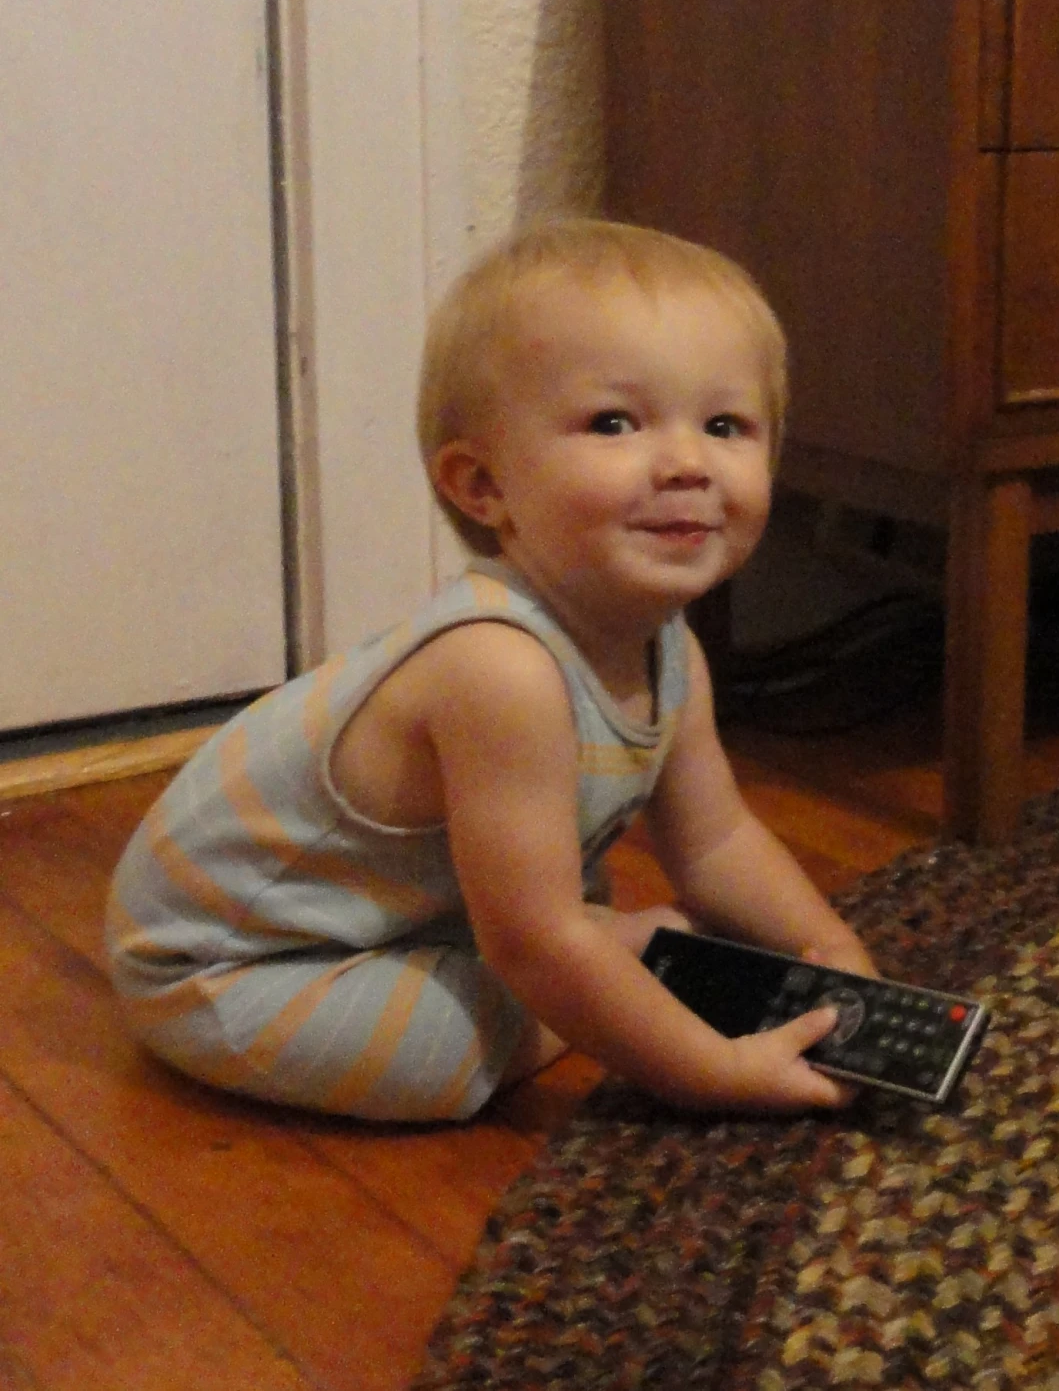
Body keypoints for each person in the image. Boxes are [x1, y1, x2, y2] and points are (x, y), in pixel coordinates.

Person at [106, 220, 875, 1123]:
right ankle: (564, 984)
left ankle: (566, 962)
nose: (686, 463)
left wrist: (825, 943)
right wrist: (708, 1068)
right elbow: (538, 945)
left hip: (414, 917)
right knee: (444, 1056)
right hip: (238, 966)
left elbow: (712, 845)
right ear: (484, 487)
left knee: (568, 926)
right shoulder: (496, 668)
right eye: (614, 423)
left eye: (724, 424)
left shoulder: (672, 649)